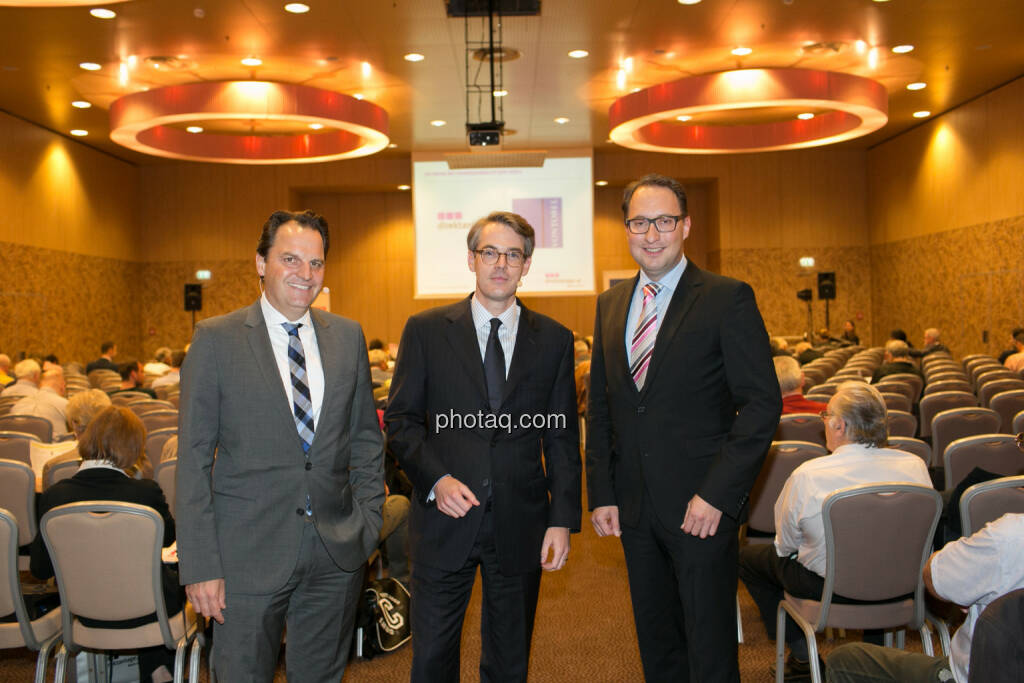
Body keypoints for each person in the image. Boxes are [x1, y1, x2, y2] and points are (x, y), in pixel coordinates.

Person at [176, 209, 385, 682]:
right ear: (260, 263)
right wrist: (200, 564)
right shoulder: (215, 340)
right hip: (244, 557)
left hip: (336, 553)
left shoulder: (347, 336)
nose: (305, 274)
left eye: (316, 263)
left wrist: (367, 523)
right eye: (290, 259)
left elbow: (366, 442)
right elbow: (191, 462)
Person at [587, 173, 781, 681]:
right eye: (639, 222)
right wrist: (602, 492)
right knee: (657, 643)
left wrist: (718, 495)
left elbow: (761, 405)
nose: (652, 234)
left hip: (703, 508)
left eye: (664, 221)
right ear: (626, 228)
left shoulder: (726, 297)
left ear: (686, 225)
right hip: (634, 508)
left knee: (710, 647)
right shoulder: (609, 305)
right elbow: (604, 410)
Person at [385, 210, 580, 683]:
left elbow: (561, 437)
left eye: (513, 254)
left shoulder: (554, 339)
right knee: (432, 661)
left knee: (509, 662)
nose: (501, 263)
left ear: (527, 264)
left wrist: (561, 521)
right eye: (490, 252)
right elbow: (402, 420)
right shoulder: (426, 330)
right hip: (443, 518)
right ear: (471, 258)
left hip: (521, 520)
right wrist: (436, 479)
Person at [737, 381, 932, 679]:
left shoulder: (810, 475)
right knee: (878, 556)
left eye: (826, 415)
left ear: (840, 426)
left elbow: (785, 546)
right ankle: (872, 656)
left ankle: (803, 656)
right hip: (903, 588)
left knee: (747, 559)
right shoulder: (915, 466)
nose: (825, 421)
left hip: (829, 591)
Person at [30, 405, 181, 683]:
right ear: (136, 448)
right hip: (150, 615)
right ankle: (160, 669)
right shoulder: (146, 493)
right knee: (170, 580)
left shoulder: (54, 497)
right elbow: (172, 547)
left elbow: (39, 570)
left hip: (83, 616)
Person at [827, 505, 1024, 682]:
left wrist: (968, 585)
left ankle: (801, 657)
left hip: (975, 674)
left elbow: (935, 579)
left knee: (843, 660)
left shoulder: (1010, 536)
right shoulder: (915, 469)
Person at [12, 367, 69, 438]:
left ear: (40, 385)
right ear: (62, 387)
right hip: (53, 447)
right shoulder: (65, 404)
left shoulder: (18, 404)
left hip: (19, 447)